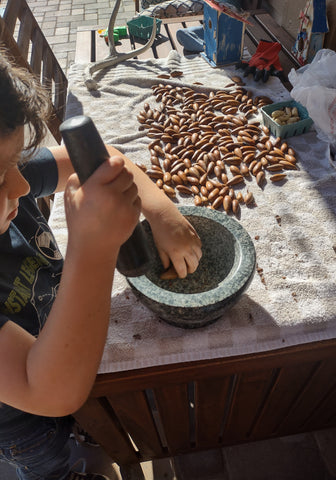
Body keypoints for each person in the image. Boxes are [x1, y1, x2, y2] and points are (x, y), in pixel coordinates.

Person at [0, 48, 202, 480]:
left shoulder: (8, 185)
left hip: (70, 342)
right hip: (25, 423)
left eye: (14, 164)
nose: (20, 185)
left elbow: (96, 158)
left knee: (96, 418)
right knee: (60, 465)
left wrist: (162, 214)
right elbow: (48, 390)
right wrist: (92, 246)